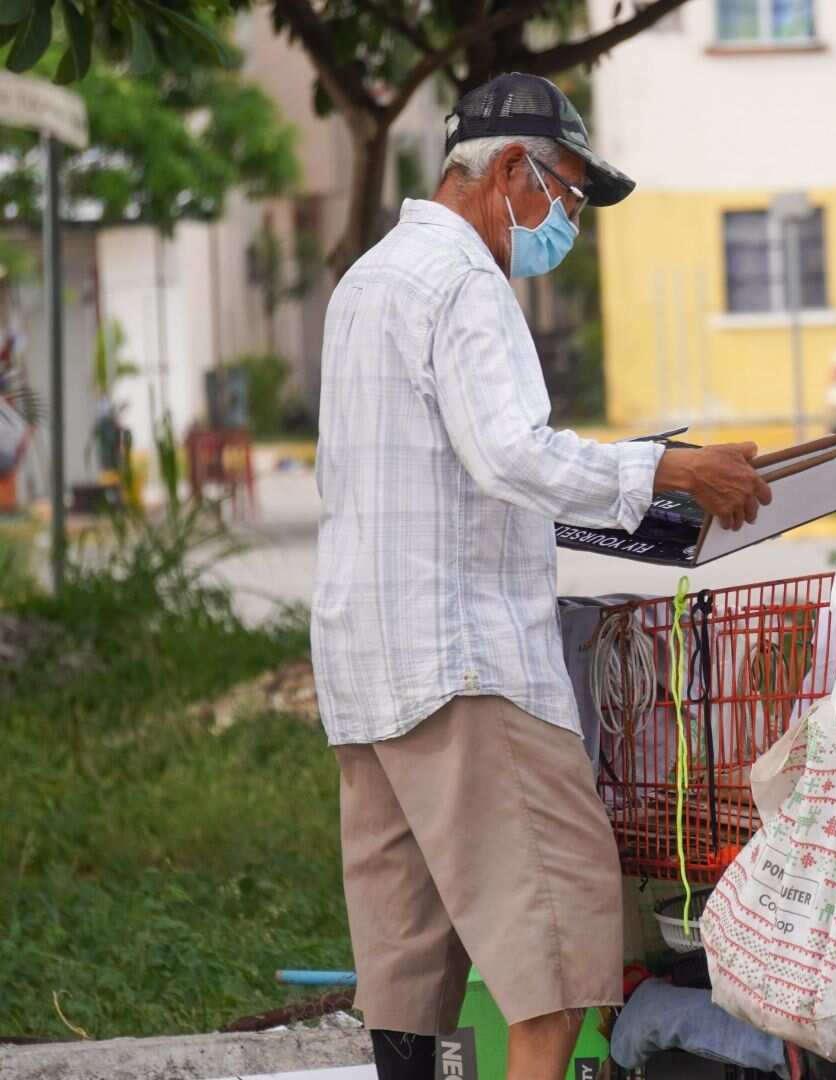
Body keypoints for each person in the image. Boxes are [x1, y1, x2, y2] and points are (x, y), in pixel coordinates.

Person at [311, 73, 770, 1080]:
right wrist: (672, 468)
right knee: (560, 961)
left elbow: (391, 473)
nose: (566, 221)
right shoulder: (468, 283)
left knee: (405, 972)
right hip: (469, 666)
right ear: (512, 169)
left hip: (367, 669)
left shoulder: (370, 281)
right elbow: (511, 455)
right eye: (565, 196)